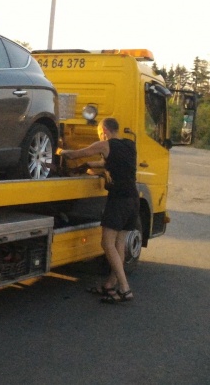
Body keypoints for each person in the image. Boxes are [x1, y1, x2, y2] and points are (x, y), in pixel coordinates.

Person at [59, 117, 136, 304]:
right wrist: (90, 166)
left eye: (100, 133)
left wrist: (60, 150)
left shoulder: (105, 144)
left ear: (105, 131)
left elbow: (75, 154)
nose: (100, 136)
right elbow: (115, 164)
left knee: (107, 243)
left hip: (118, 200)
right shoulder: (129, 145)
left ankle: (125, 288)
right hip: (133, 199)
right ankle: (110, 284)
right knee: (119, 244)